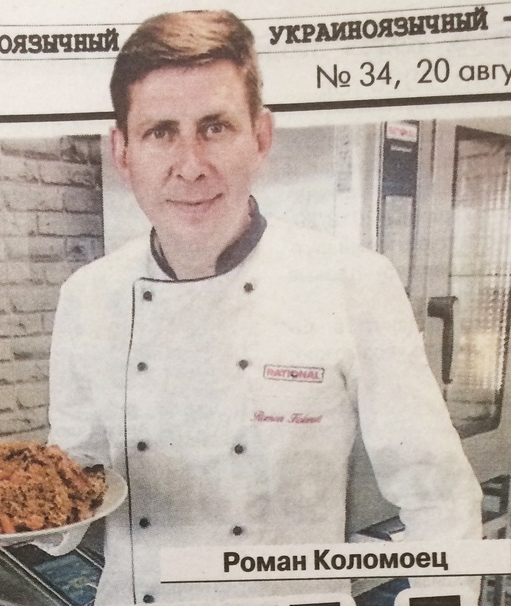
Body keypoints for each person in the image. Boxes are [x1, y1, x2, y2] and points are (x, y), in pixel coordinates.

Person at [48, 9, 482, 605]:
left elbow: (438, 495)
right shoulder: (88, 297)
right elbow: (72, 482)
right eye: (161, 132)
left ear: (261, 136)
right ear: (122, 152)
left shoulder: (353, 282)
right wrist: (20, 509)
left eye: (215, 127)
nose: (190, 166)